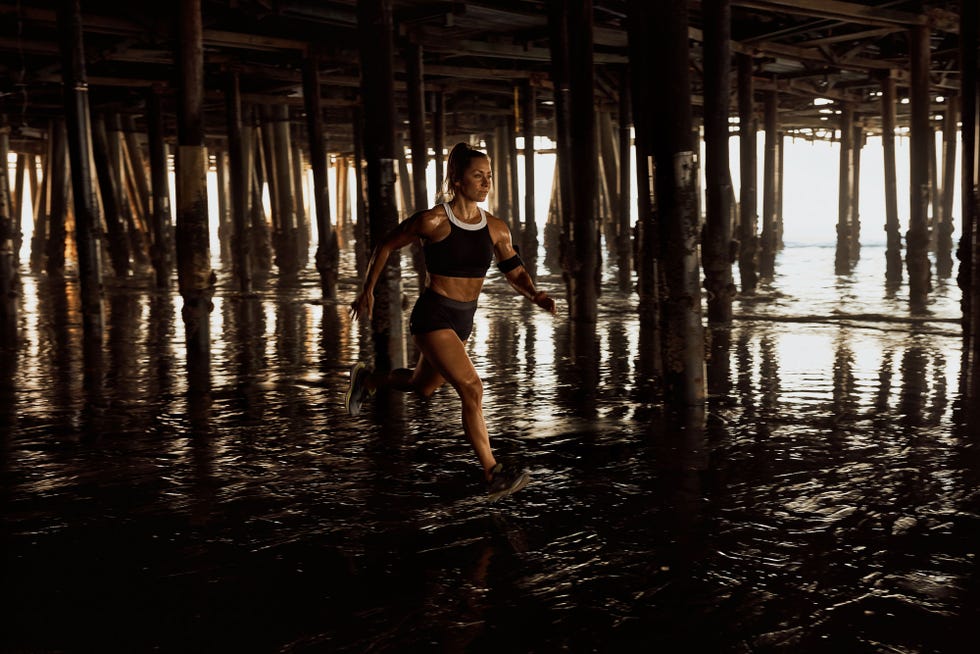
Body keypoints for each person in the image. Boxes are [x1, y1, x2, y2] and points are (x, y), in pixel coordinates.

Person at [346, 141, 556, 500]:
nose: (486, 182)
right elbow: (385, 245)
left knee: (421, 386)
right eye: (478, 176)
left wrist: (535, 294)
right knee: (472, 389)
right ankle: (493, 472)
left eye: (489, 176)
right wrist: (368, 290)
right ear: (457, 179)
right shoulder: (433, 220)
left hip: (462, 322)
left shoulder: (496, 228)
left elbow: (514, 270)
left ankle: (369, 379)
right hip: (433, 315)